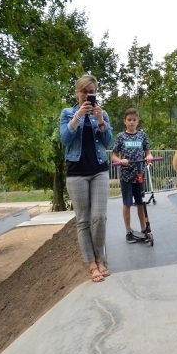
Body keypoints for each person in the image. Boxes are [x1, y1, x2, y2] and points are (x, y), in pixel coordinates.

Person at [59, 74, 113, 282]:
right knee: (83, 221)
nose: (87, 95)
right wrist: (78, 117)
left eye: (91, 92)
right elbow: (65, 139)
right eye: (84, 91)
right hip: (76, 173)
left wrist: (101, 121)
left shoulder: (102, 113)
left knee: (99, 217)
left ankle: (100, 258)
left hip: (99, 170)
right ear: (77, 92)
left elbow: (108, 142)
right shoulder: (67, 113)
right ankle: (91, 264)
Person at [112, 108, 153, 243]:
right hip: (126, 176)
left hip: (139, 175)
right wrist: (120, 161)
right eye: (129, 120)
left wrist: (149, 157)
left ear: (137, 121)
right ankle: (128, 231)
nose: (131, 122)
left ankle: (143, 229)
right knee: (127, 203)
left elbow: (148, 152)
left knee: (141, 203)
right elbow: (114, 156)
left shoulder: (142, 136)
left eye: (134, 120)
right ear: (125, 121)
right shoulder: (120, 137)